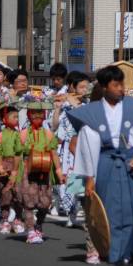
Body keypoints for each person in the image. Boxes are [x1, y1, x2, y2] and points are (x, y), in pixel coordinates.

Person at [70, 64, 133, 266]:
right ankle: (115, 262)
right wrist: (89, 177)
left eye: (122, 84)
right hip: (105, 163)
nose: (121, 89)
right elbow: (88, 146)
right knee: (110, 214)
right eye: (116, 85)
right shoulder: (93, 112)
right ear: (105, 87)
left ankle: (127, 257)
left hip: (130, 163)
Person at [18, 102, 64, 244]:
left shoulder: (49, 134)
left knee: (45, 202)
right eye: (34, 114)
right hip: (28, 170)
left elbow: (54, 153)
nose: (37, 116)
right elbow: (17, 155)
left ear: (44, 116)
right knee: (29, 202)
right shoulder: (24, 134)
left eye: (40, 114)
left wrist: (58, 171)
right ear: (29, 116)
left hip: (45, 170)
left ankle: (39, 224)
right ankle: (31, 231)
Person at [51, 71, 90, 228]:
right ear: (72, 87)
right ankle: (70, 213)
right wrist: (57, 109)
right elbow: (54, 126)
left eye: (86, 87)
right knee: (64, 182)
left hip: (80, 146)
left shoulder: (86, 104)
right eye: (81, 87)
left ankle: (78, 212)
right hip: (64, 147)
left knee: (79, 180)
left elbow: (85, 119)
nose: (84, 90)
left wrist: (74, 102)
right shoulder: (63, 102)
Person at [0, 100, 25, 235]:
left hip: (17, 165)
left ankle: (17, 219)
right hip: (4, 165)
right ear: (4, 119)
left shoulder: (19, 134)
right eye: (14, 117)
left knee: (18, 193)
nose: (17, 119)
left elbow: (20, 152)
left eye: (18, 117)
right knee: (4, 193)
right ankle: (5, 220)